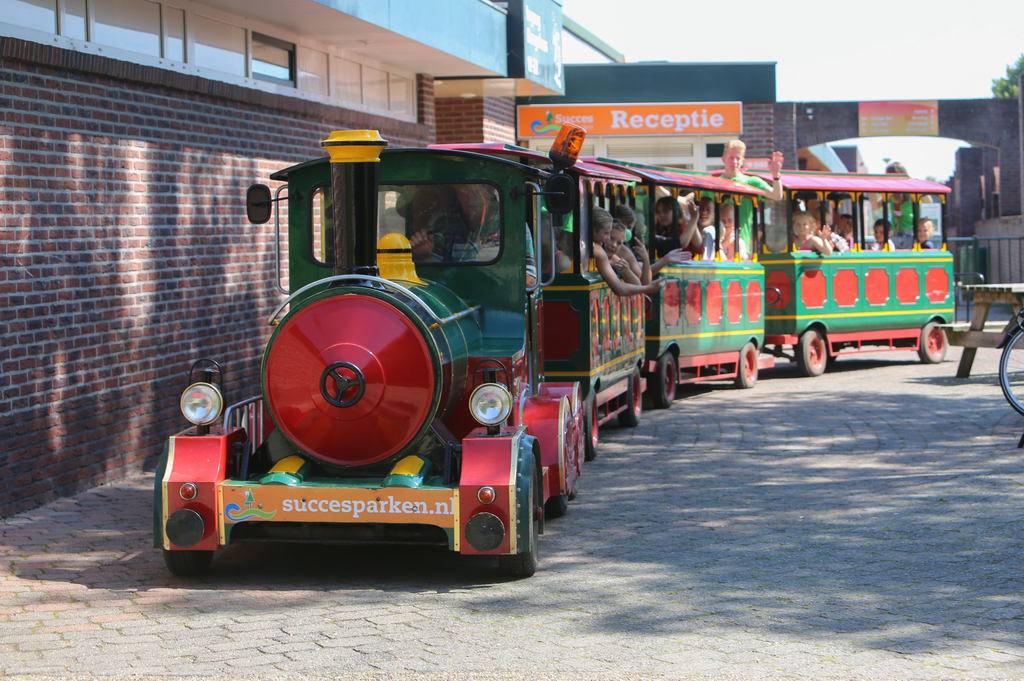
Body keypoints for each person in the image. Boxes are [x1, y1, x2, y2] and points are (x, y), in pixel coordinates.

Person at [410, 183, 535, 286]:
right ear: (457, 193)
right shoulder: (442, 219)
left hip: (495, 300)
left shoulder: (512, 224)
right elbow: (430, 278)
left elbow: (529, 281)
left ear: (492, 192)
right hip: (451, 300)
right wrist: (423, 254)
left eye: (480, 190)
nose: (473, 198)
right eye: (466, 191)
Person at [720, 140, 785, 255]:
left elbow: (776, 195)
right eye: (731, 158)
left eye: (738, 158)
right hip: (718, 247)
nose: (734, 161)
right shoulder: (715, 183)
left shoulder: (751, 182)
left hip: (742, 246)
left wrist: (776, 176)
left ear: (743, 161)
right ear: (723, 159)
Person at [591, 207, 666, 297]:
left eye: (619, 243)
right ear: (594, 230)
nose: (614, 244)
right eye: (609, 236)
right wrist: (649, 288)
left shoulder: (613, 256)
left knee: (640, 265)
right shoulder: (597, 249)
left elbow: (638, 284)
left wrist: (627, 272)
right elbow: (621, 289)